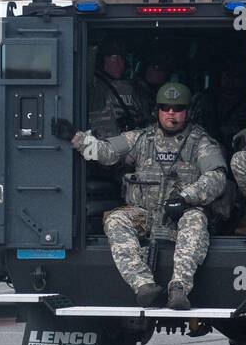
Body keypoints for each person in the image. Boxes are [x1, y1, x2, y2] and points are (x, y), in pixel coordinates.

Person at [52, 82, 226, 309]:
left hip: (181, 213)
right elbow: (106, 152)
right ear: (158, 111)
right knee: (116, 219)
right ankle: (144, 285)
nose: (171, 113)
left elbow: (217, 178)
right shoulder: (142, 139)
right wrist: (76, 138)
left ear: (187, 112)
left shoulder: (200, 142)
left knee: (195, 220)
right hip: (145, 213)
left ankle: (179, 289)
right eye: (165, 108)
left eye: (177, 108)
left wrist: (185, 197)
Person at [88, 41, 147, 139]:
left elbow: (144, 120)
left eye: (122, 59)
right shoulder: (94, 87)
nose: (120, 64)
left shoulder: (130, 88)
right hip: (101, 146)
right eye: (114, 58)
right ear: (101, 60)